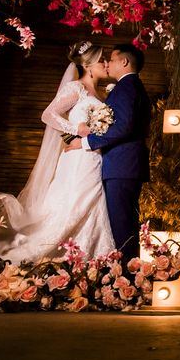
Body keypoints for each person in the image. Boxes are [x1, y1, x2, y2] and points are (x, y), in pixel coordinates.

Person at [0, 42, 117, 266]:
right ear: (87, 66)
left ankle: (88, 258)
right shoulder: (75, 88)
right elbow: (49, 115)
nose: (106, 63)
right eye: (101, 60)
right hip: (79, 160)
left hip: (93, 157)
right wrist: (75, 130)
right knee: (74, 203)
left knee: (92, 202)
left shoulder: (98, 93)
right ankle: (43, 253)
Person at [65, 43, 151, 261]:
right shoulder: (131, 86)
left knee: (123, 225)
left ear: (124, 62)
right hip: (126, 165)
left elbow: (122, 127)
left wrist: (84, 143)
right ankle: (128, 272)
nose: (107, 63)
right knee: (124, 223)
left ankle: (130, 276)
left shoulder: (126, 87)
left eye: (110, 60)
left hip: (123, 165)